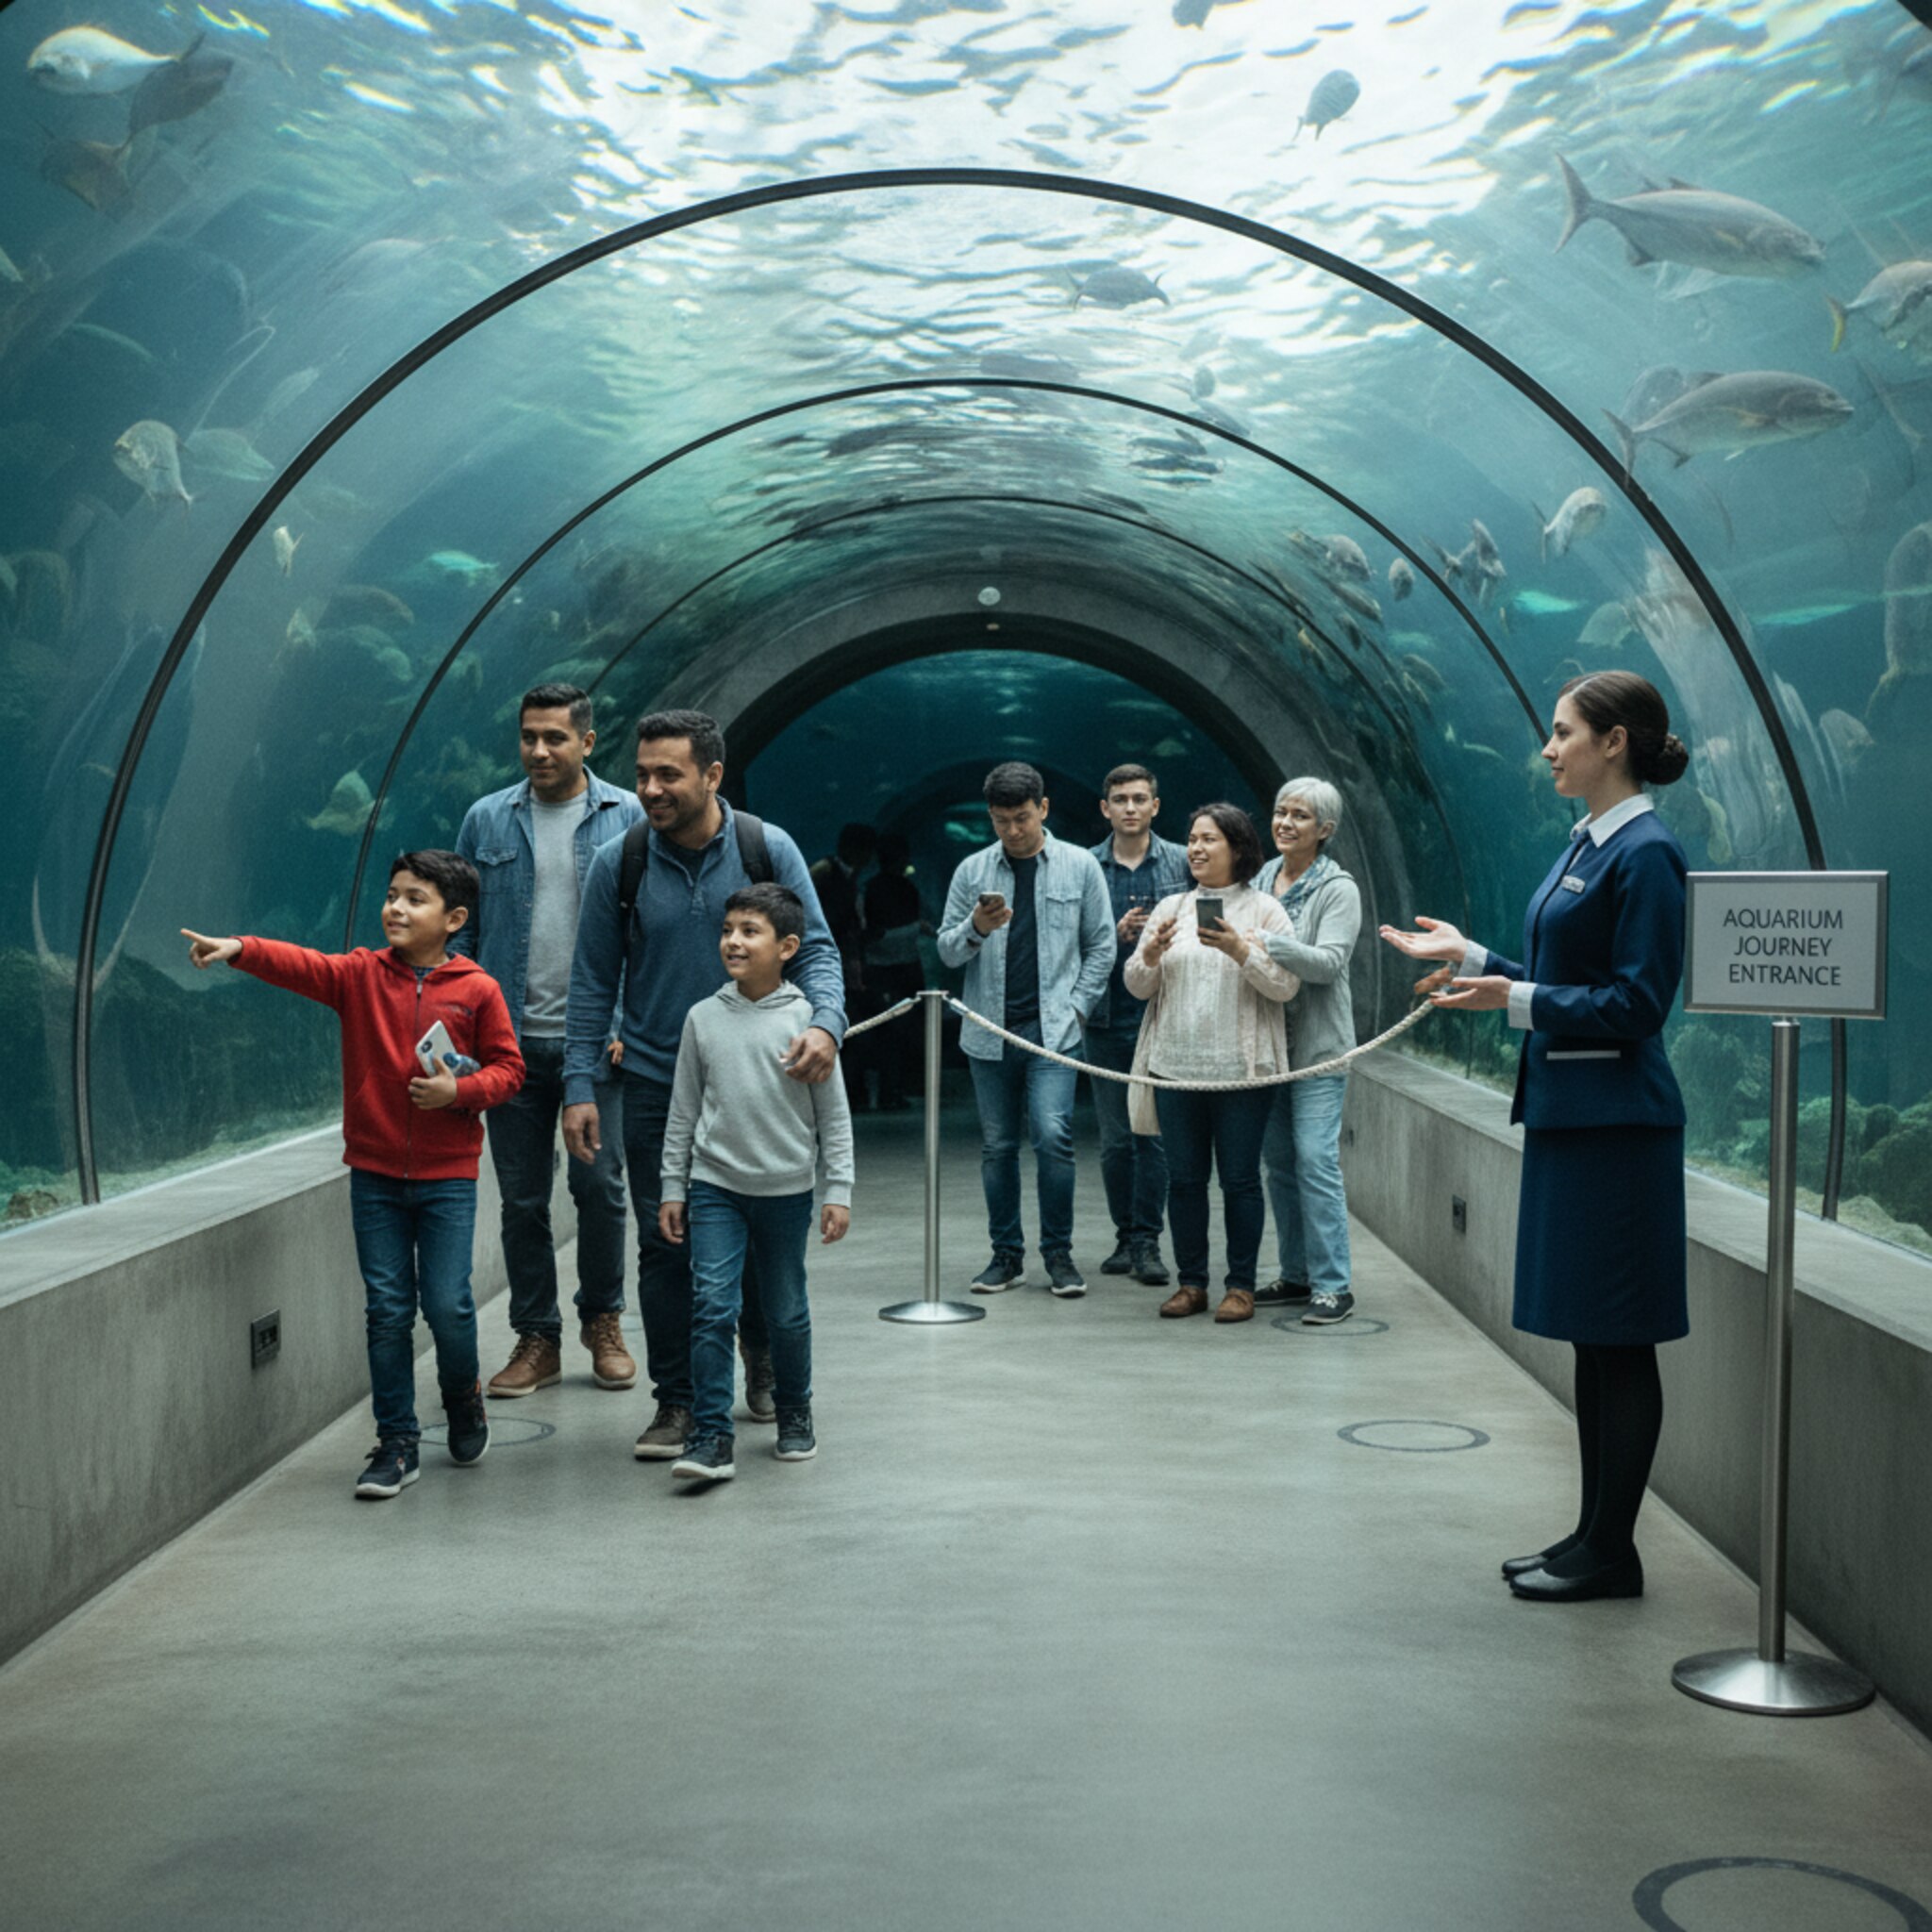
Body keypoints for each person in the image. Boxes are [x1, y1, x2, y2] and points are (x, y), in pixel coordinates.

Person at [1380, 671, 1690, 1604]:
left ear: (1613, 742)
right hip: (1569, 1115)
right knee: (1591, 1341)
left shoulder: (1645, 853)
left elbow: (1636, 1002)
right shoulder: (1585, 844)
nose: (1547, 747)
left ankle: (1611, 1549)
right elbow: (1562, 975)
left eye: (1562, 733)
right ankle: (1593, 1535)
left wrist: (1512, 998)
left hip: (1618, 1124)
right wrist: (1474, 959)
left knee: (1619, 1340)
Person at [182, 852, 525, 1500]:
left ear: (453, 918)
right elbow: (301, 965)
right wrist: (238, 948)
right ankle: (396, 1441)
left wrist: (458, 1090)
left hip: (448, 1176)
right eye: (392, 895)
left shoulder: (478, 989)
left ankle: (463, 1395)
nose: (395, 908)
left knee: (448, 1304)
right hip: (373, 1176)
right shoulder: (361, 975)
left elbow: (509, 1072)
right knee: (388, 1310)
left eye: (414, 899)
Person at [562, 710, 846, 1460]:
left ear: (712, 776)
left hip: (764, 1082)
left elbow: (816, 949)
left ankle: (759, 1356)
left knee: (754, 1245)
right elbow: (591, 981)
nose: (648, 789)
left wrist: (825, 1027)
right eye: (642, 773)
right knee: (668, 1248)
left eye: (668, 775)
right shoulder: (618, 861)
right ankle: (679, 1402)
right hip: (657, 1084)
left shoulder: (764, 848)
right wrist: (579, 1085)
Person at [455, 682, 643, 1400]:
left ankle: (604, 1320)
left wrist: (624, 1021)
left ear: (587, 742)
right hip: (509, 1045)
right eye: (529, 736)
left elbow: (642, 931)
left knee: (599, 1187)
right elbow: (463, 930)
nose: (539, 750)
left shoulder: (628, 816)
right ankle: (537, 1337)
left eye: (555, 737)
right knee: (523, 1201)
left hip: (598, 1044)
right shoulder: (487, 819)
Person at [658, 884, 855, 1483]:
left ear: (788, 946)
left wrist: (837, 1189)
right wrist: (674, 1185)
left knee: (785, 1309)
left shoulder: (809, 1024)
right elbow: (683, 1110)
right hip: (715, 1186)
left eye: (750, 931)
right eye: (728, 930)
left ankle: (795, 1411)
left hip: (786, 1191)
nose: (733, 942)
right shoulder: (703, 1017)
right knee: (712, 1306)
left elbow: (834, 1117)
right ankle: (713, 1435)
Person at [939, 761, 1114, 1296]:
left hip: (1054, 1033)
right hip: (989, 1031)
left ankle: (1059, 1254)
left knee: (1053, 1136)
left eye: (1021, 818)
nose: (1012, 831)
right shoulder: (972, 871)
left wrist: (1078, 1010)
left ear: (1043, 807)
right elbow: (946, 950)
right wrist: (976, 928)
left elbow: (1102, 946)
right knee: (997, 1147)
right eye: (999, 821)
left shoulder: (1081, 866)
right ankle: (1005, 1256)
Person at [1124, 804, 1299, 1324]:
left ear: (1238, 847)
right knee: (1184, 1180)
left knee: (1241, 1180)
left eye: (1210, 839)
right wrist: (1150, 954)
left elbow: (1286, 986)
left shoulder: (1266, 910)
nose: (1196, 848)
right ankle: (1192, 1283)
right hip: (1174, 1066)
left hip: (1243, 1070)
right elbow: (1136, 986)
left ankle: (1240, 1286)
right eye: (1192, 838)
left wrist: (1241, 950)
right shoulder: (1171, 908)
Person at [1254, 778, 1364, 1325]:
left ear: (1325, 831)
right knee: (1279, 1164)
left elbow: (1328, 962)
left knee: (1316, 1160)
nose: (1285, 823)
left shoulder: (1338, 889)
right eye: (1280, 812)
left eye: (1299, 816)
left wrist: (1264, 942)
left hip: (1319, 1049)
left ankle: (1333, 1284)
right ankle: (1296, 1273)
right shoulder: (1260, 879)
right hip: (1269, 1048)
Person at [1085, 763, 1191, 1287]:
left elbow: (1205, 924)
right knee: (1115, 1139)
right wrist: (1114, 936)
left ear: (1155, 806)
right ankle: (1125, 1234)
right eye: (1120, 799)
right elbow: (1071, 947)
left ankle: (1148, 1239)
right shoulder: (1084, 867)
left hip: (1165, 1015)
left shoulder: (1183, 861)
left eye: (1140, 798)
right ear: (1105, 808)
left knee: (1153, 1135)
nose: (1130, 807)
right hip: (1105, 1019)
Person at [811, 823, 878, 1111]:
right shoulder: (823, 872)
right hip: (828, 964)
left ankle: (852, 1094)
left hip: (848, 965)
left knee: (854, 1031)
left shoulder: (850, 877)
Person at [860, 830, 927, 1108]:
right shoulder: (901, 888)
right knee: (898, 1034)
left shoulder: (872, 887)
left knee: (888, 1034)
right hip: (898, 970)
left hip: (882, 970)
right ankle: (894, 1090)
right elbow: (875, 934)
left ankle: (891, 1090)